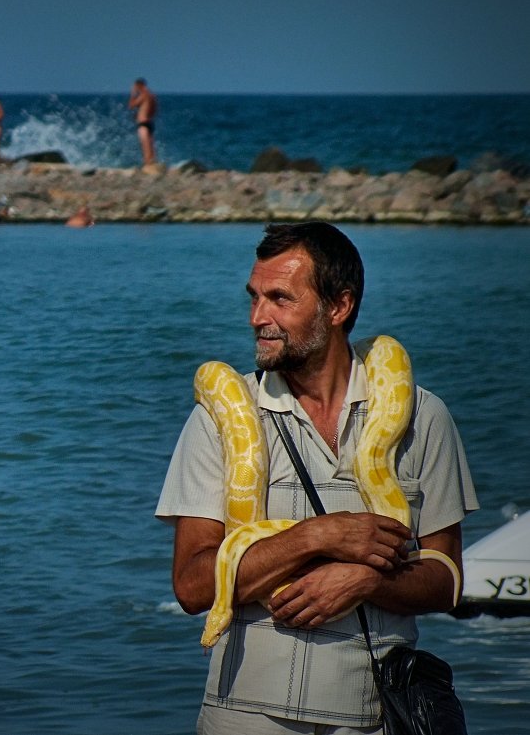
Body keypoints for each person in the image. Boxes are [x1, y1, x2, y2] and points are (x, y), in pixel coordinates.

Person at [155, 221, 477, 735]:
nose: (258, 317)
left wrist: (368, 579)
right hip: (247, 715)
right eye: (254, 297)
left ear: (338, 306)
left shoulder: (423, 415)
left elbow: (447, 580)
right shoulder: (220, 415)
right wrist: (317, 535)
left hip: (375, 715)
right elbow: (194, 589)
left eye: (280, 298)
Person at [128, 77, 157, 165]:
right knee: (151, 146)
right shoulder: (152, 95)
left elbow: (131, 105)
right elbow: (154, 110)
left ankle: (147, 164)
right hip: (149, 122)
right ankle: (152, 163)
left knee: (145, 146)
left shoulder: (144, 94)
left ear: (139, 85)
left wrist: (133, 94)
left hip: (143, 123)